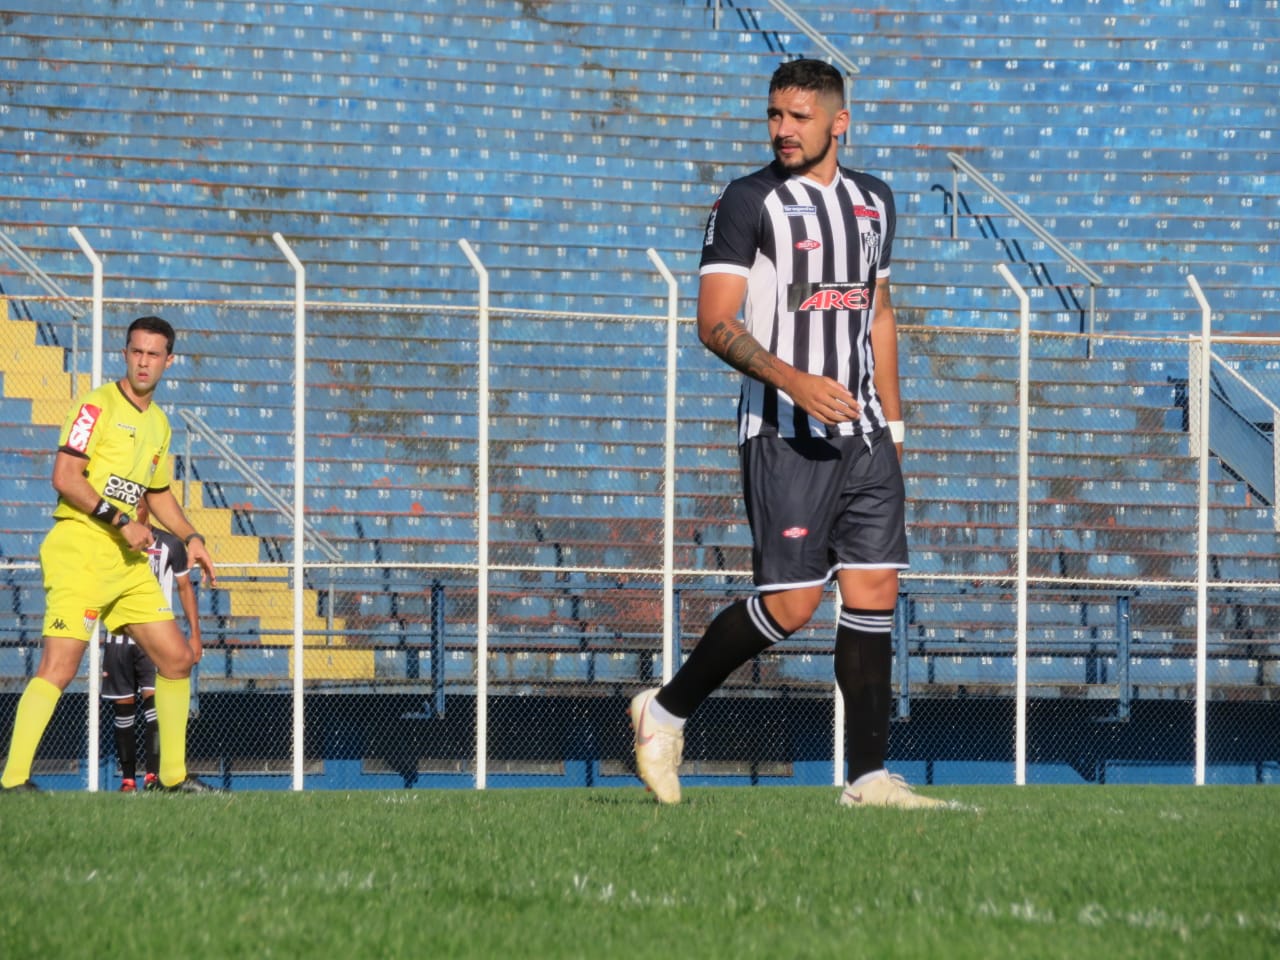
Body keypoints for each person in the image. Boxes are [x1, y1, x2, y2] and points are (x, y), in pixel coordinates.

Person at [630, 58, 946, 808]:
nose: (782, 129)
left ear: (840, 122)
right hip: (782, 431)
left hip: (865, 431)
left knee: (874, 590)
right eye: (775, 115)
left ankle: (867, 780)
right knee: (794, 604)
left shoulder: (875, 200)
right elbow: (714, 322)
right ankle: (664, 711)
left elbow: (878, 312)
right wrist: (794, 382)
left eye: (799, 116)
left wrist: (894, 421)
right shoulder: (748, 200)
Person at [1, 315, 220, 793]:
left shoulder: (159, 424)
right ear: (125, 354)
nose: (143, 362)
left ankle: (171, 778)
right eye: (136, 352)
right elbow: (65, 478)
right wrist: (122, 522)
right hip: (81, 549)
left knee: (177, 659)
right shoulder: (95, 406)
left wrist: (192, 535)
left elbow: (156, 493)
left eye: (153, 354)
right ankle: (13, 779)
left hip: (127, 561)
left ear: (168, 361)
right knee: (59, 668)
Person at [101, 498, 203, 792]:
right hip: (119, 639)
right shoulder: (112, 541)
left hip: (154, 639)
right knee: (123, 711)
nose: (132, 509)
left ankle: (154, 777)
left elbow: (184, 587)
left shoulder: (170, 544)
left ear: (148, 507)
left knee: (155, 707)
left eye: (137, 504)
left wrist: (195, 634)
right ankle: (128, 780)